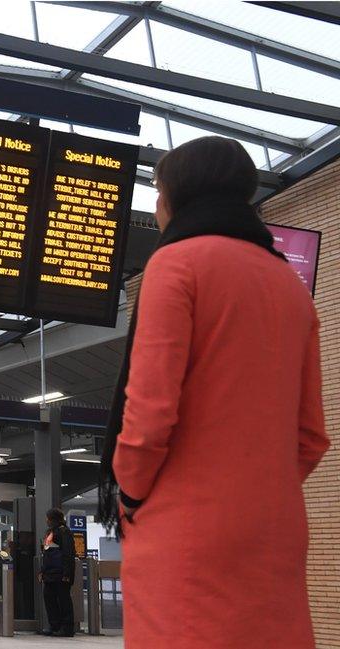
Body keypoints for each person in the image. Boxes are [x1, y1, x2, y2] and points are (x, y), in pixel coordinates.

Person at [97, 136, 329, 649]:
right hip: (274, 528)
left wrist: (131, 494)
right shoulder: (288, 282)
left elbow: (151, 410)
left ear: (178, 196)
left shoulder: (177, 263)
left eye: (158, 192)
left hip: (185, 528)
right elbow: (310, 434)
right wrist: (259, 487)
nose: (156, 207)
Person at [38, 508, 76, 637]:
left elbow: (68, 553)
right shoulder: (51, 532)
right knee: (49, 598)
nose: (46, 520)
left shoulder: (64, 532)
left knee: (63, 600)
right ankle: (54, 626)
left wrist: (67, 573)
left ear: (53, 519)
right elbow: (47, 554)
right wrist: (42, 571)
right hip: (50, 573)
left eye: (48, 518)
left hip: (61, 573)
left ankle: (67, 628)